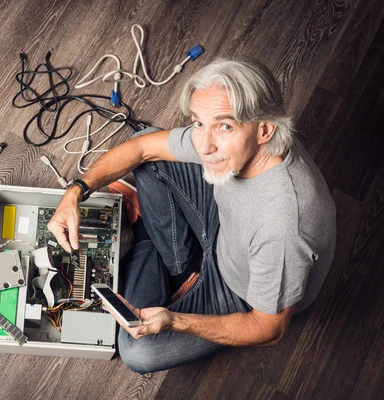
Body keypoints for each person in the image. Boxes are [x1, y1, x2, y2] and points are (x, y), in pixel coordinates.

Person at [47, 57, 336, 374]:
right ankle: (181, 269)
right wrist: (76, 191)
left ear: (265, 129)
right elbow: (143, 147)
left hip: (239, 290)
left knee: (139, 352)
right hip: (225, 226)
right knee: (146, 150)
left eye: (225, 126)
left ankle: (151, 250)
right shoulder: (232, 147)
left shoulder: (282, 231)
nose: (205, 144)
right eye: (198, 122)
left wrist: (174, 320)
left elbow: (268, 329)